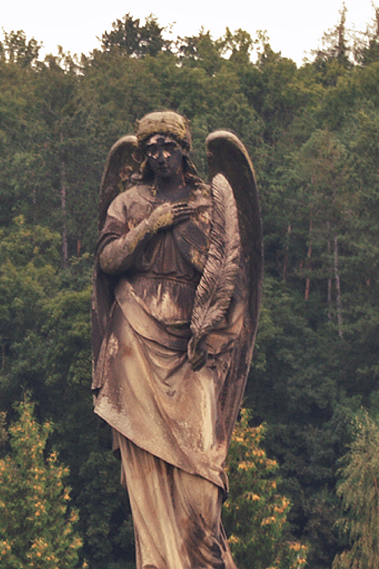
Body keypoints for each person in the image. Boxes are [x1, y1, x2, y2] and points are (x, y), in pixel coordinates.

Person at [92, 111, 259, 569]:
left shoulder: (209, 206)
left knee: (202, 483)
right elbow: (107, 261)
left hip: (192, 347)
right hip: (133, 335)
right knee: (144, 466)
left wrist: (213, 334)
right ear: (143, 155)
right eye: (151, 149)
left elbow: (234, 283)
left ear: (184, 150)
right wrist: (151, 225)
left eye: (168, 146)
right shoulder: (128, 203)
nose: (160, 156)